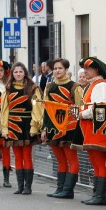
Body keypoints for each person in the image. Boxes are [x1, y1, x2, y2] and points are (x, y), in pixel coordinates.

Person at [42, 58, 84, 199]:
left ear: (66, 70)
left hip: (70, 128)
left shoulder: (74, 87)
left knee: (71, 159)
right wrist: (44, 129)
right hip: (53, 128)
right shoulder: (49, 87)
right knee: (59, 160)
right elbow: (46, 109)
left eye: (60, 68)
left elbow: (80, 108)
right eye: (55, 68)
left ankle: (68, 190)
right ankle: (60, 188)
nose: (57, 71)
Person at [0, 62, 43, 195]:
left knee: (27, 156)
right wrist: (4, 129)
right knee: (17, 157)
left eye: (20, 71)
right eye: (15, 72)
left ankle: (28, 187)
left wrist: (34, 127)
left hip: (27, 125)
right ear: (12, 74)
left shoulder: (33, 89)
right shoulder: (7, 89)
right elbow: (4, 110)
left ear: (25, 72)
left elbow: (37, 108)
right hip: (13, 125)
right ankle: (20, 185)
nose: (18, 74)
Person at [76, 57, 106, 206]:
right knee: (95, 163)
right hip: (91, 130)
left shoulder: (100, 85)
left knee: (100, 164)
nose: (85, 71)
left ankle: (100, 196)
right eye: (84, 69)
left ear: (96, 70)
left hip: (97, 130)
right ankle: (97, 193)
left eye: (88, 69)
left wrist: (82, 114)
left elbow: (100, 108)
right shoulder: (93, 85)